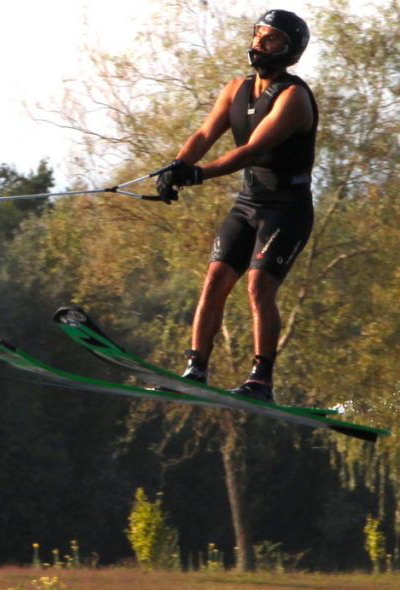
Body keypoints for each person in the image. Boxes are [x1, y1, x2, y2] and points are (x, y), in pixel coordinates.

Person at [155, 9, 317, 404]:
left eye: (272, 37)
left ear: (290, 49)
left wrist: (198, 176)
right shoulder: (235, 89)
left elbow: (250, 151)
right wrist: (176, 168)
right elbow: (205, 132)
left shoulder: (294, 97)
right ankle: (196, 369)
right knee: (215, 280)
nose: (260, 42)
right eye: (259, 34)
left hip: (287, 209)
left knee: (259, 287)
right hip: (248, 203)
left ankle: (261, 382)